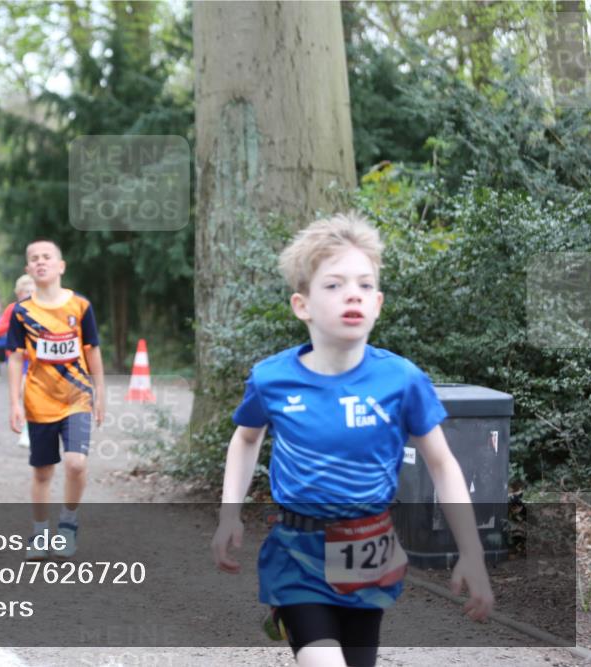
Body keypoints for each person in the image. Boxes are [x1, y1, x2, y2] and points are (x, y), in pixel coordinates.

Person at [211, 213, 494, 667]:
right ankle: (293, 611)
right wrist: (230, 514)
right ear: (302, 305)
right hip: (297, 549)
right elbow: (246, 440)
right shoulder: (273, 379)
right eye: (334, 285)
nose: (352, 295)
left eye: (364, 286)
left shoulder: (402, 380)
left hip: (367, 548)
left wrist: (472, 553)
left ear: (378, 303)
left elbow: (442, 464)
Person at [6, 240, 105, 560]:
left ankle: (68, 525)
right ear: (28, 270)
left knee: (76, 463)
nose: (40, 262)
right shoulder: (23, 312)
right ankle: (39, 533)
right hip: (39, 401)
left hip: (77, 397)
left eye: (47, 257)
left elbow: (92, 350)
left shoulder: (80, 306)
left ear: (61, 266)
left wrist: (100, 392)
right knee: (43, 471)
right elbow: (15, 358)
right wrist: (14, 403)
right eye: (33, 259)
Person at [0, 274, 36, 448]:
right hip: (18, 359)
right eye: (25, 291)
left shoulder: (41, 308)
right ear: (18, 293)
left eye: (31, 291)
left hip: (36, 360)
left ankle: (30, 430)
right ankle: (28, 429)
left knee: (29, 394)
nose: (28, 294)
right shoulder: (13, 309)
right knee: (22, 393)